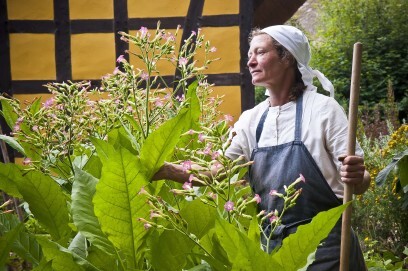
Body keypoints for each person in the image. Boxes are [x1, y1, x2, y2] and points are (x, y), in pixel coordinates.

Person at [153, 25, 370, 270]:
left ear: (286, 57)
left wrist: (357, 175)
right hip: (273, 248)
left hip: (327, 248)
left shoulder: (323, 110)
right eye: (249, 56)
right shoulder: (252, 119)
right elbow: (217, 173)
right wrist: (167, 170)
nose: (250, 62)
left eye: (259, 53)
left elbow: (360, 181)